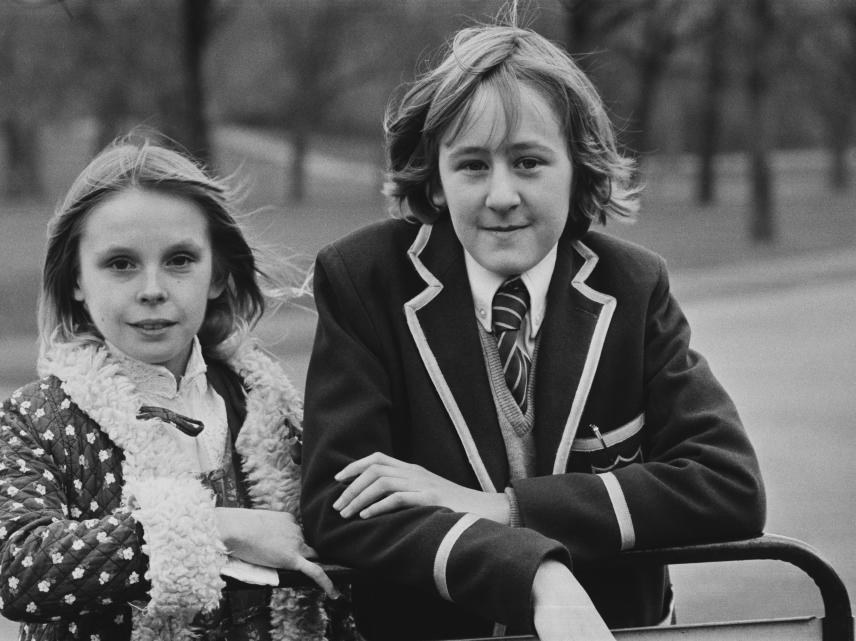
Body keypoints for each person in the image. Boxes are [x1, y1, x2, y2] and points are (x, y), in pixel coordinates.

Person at [300, 23, 766, 641]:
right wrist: (533, 572)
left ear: (579, 168)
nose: (501, 195)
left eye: (528, 162)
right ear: (435, 181)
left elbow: (727, 486)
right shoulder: (365, 281)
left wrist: (511, 507)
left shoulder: (632, 285)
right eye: (471, 165)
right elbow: (341, 509)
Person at [0, 136, 348, 641]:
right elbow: (15, 568)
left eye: (179, 260)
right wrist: (218, 528)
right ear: (76, 282)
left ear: (217, 274)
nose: (152, 288)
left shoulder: (268, 404)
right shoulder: (38, 418)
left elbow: (345, 554)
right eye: (121, 264)